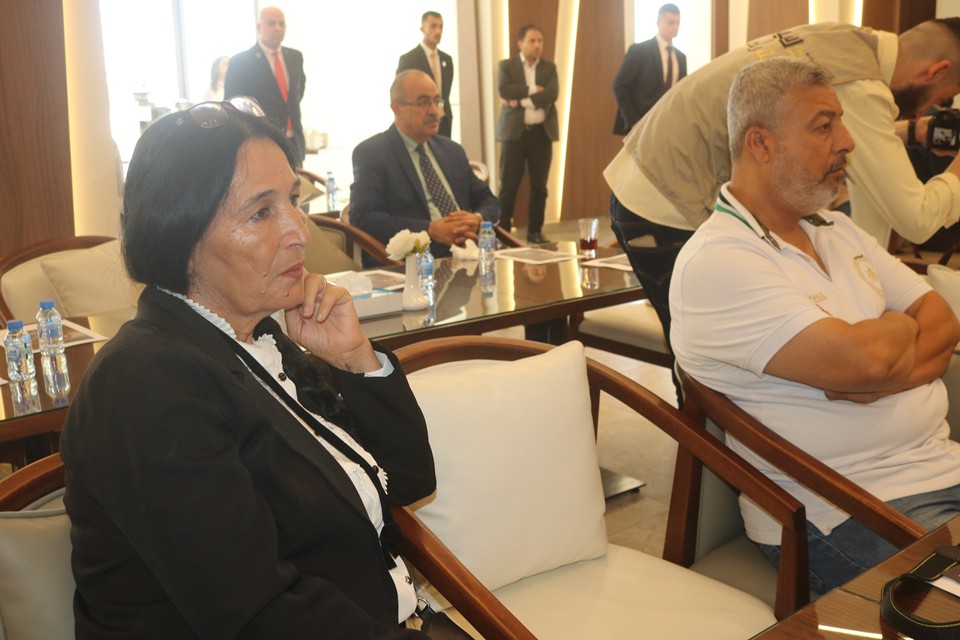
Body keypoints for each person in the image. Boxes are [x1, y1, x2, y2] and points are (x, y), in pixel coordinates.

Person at [59, 96, 437, 639]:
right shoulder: (143, 382)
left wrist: (356, 360)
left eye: (293, 200)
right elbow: (257, 612)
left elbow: (409, 479)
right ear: (182, 238)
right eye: (261, 213)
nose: (300, 231)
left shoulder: (260, 337)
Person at [670, 57, 960, 594]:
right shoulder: (719, 260)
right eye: (824, 126)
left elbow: (942, 320)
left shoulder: (836, 230)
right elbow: (869, 359)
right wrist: (896, 332)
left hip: (943, 468)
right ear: (760, 144)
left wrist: (882, 371)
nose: (847, 142)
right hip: (843, 509)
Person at [606, 19, 960, 351]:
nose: (929, 110)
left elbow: (830, 135)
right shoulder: (859, 84)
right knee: (700, 354)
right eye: (945, 97)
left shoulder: (845, 41)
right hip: (667, 198)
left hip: (645, 169)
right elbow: (916, 218)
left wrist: (910, 131)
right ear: (936, 71)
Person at [350, 70, 499, 264]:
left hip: (474, 254)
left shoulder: (452, 150)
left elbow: (489, 200)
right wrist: (429, 229)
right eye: (423, 103)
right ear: (397, 108)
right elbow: (364, 218)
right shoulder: (372, 153)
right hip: (418, 263)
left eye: (437, 101)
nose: (434, 111)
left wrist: (477, 218)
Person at [496, 24, 559, 244]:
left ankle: (535, 231)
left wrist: (521, 101)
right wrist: (533, 90)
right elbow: (504, 90)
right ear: (520, 43)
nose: (537, 45)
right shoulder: (507, 66)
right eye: (532, 41)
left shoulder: (549, 68)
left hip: (541, 134)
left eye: (540, 41)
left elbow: (551, 94)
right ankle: (502, 232)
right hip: (514, 135)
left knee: (540, 186)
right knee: (508, 185)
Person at [224, 6, 307, 161]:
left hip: (294, 140)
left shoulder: (295, 57)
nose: (277, 28)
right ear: (258, 27)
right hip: (262, 141)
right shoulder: (241, 62)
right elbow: (233, 103)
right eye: (271, 23)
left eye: (281, 24)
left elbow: (298, 92)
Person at [611, 3, 686, 135]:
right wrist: (635, 122)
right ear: (658, 22)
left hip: (668, 124)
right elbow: (619, 85)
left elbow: (680, 91)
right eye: (670, 22)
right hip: (641, 123)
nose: (675, 27)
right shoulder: (640, 51)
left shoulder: (680, 57)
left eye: (678, 23)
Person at [397, 11, 454, 138]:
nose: (438, 31)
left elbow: (445, 94)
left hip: (443, 121)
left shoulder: (447, 59)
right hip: (420, 122)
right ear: (422, 29)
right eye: (433, 26)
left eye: (441, 26)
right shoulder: (409, 59)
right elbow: (401, 94)